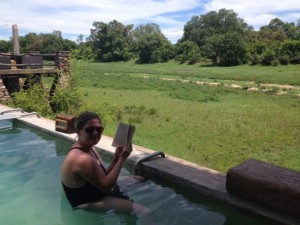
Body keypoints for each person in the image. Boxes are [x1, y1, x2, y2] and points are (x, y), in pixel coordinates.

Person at [61, 111, 148, 215]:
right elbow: (106, 187)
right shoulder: (81, 158)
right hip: (86, 202)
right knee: (143, 211)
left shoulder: (90, 148)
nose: (95, 133)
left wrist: (116, 159)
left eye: (99, 129)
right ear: (78, 132)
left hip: (95, 191)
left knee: (138, 179)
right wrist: (122, 158)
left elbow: (103, 176)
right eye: (89, 130)